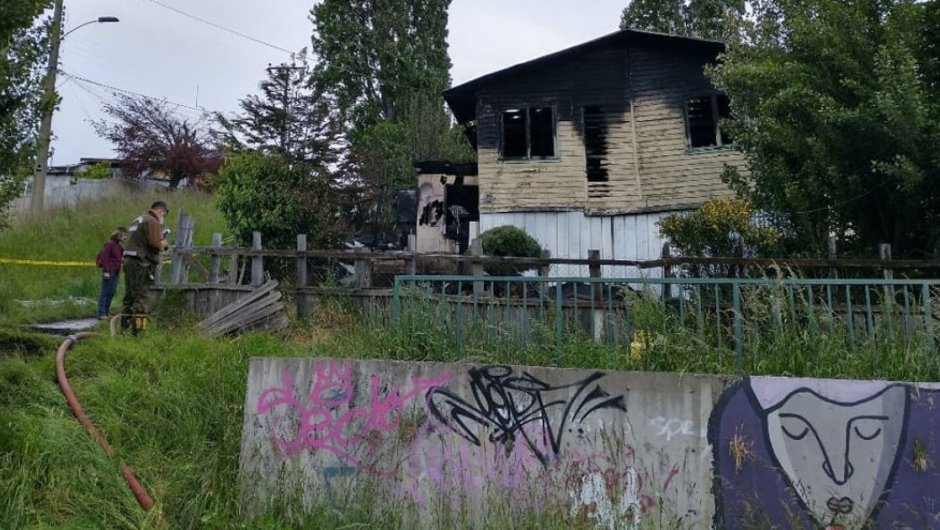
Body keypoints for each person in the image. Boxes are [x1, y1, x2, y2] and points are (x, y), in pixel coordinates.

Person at [120, 200, 170, 334]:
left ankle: (123, 330)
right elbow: (155, 243)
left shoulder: (138, 219)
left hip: (129, 260)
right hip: (140, 263)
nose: (162, 218)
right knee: (142, 297)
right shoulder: (152, 221)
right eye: (163, 215)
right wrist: (164, 244)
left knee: (129, 296)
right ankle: (138, 333)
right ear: (161, 211)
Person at [95, 227, 127, 319]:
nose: (125, 237)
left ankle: (106, 312)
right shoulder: (109, 244)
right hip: (109, 271)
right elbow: (104, 258)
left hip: (116, 271)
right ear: (119, 234)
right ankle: (101, 313)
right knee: (105, 292)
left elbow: (123, 255)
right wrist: (106, 271)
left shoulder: (119, 246)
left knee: (111, 292)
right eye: (124, 235)